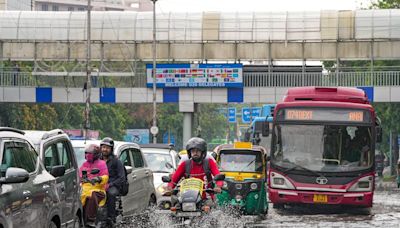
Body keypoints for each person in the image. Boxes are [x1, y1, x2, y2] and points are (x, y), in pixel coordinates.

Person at [166, 137, 223, 206]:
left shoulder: (209, 162)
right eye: (193, 151)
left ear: (203, 152)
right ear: (189, 153)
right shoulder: (185, 164)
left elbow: (218, 175)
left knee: (211, 208)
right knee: (175, 207)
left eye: (197, 151)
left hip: (206, 196)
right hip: (186, 197)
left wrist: (218, 186)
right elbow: (174, 180)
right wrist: (169, 188)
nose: (195, 153)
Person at [79, 144, 109, 227]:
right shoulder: (84, 164)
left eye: (90, 154)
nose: (88, 155)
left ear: (96, 155)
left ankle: (90, 220)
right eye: (87, 153)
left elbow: (105, 177)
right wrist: (81, 179)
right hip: (84, 188)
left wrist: (98, 178)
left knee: (92, 196)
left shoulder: (102, 164)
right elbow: (79, 175)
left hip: (98, 189)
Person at [100, 137, 125, 226]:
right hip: (99, 184)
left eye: (107, 148)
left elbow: (121, 178)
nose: (105, 149)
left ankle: (111, 217)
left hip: (113, 185)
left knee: (110, 194)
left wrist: (110, 184)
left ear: (111, 149)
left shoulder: (116, 161)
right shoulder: (98, 160)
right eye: (103, 147)